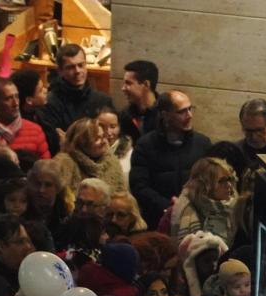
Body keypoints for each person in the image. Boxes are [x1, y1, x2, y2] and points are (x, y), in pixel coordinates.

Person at [129, 91, 213, 226]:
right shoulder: (145, 145)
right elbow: (139, 186)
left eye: (190, 109)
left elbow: (211, 181)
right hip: (158, 220)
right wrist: (168, 205)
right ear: (165, 115)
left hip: (196, 219)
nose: (189, 115)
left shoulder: (202, 143)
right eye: (182, 112)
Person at [39, 44, 112, 132]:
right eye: (70, 67)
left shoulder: (102, 100)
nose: (77, 71)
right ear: (60, 71)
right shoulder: (49, 104)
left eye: (81, 65)